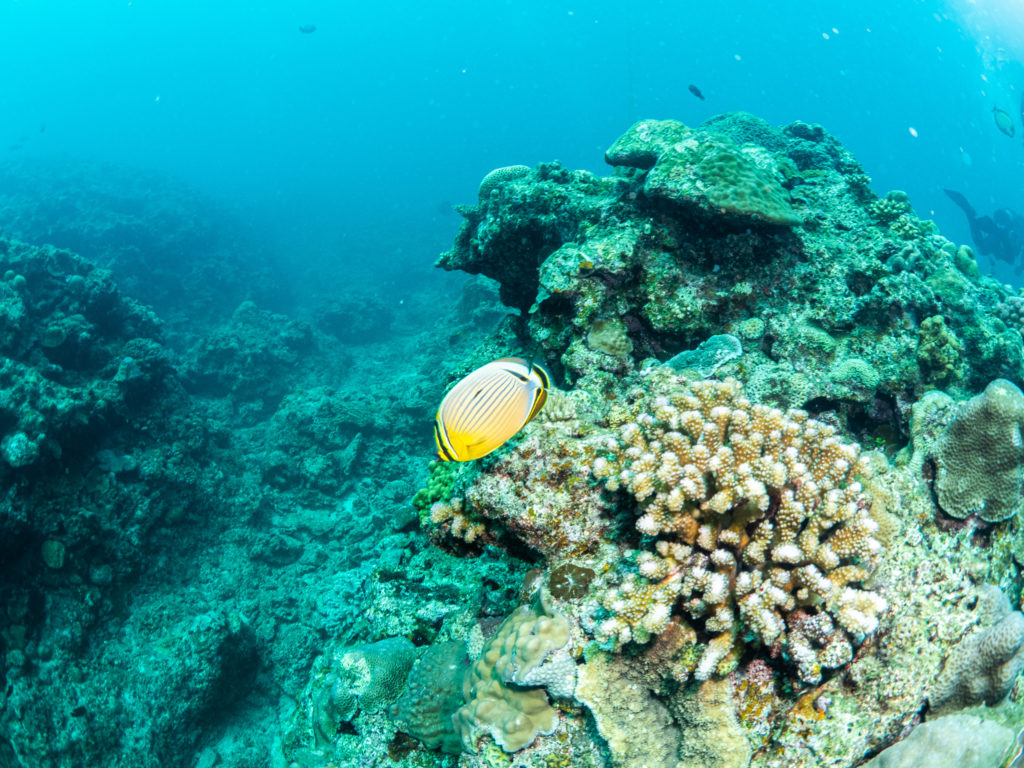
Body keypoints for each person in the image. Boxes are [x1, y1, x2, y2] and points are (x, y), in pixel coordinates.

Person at [944, 189, 1024, 273]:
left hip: (1001, 232)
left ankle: (971, 216)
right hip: (1002, 233)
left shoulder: (1016, 227)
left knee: (987, 249)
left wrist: (1021, 267)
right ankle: (971, 215)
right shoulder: (1014, 228)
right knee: (982, 249)